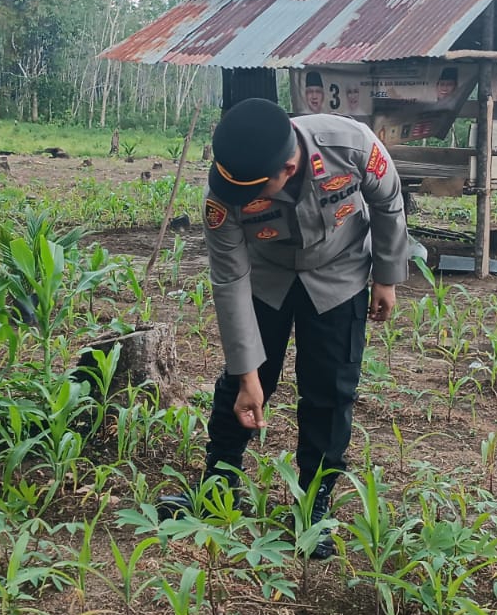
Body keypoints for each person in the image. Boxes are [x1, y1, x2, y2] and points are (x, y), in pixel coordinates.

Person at [160, 98, 409, 559]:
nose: (240, 201)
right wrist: (248, 376)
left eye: (256, 193)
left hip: (339, 271)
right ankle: (218, 485)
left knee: (330, 389)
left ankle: (314, 506)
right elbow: (229, 281)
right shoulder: (226, 191)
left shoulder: (350, 145)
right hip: (266, 276)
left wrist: (387, 277)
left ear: (289, 168)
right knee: (242, 383)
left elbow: (388, 201)